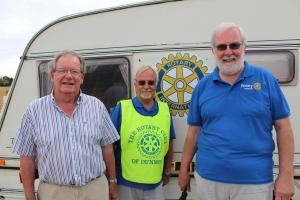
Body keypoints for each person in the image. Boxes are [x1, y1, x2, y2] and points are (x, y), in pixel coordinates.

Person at [178, 22, 295, 200]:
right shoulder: (203, 86)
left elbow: (283, 128)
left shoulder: (266, 79)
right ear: (213, 51)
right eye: (221, 47)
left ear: (244, 47)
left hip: (254, 182)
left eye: (234, 45)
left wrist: (286, 176)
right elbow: (193, 132)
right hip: (208, 179)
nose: (228, 52)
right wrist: (184, 170)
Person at [12, 51, 120, 200]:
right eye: (62, 70)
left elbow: (107, 147)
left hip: (95, 189)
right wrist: (29, 197)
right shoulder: (34, 111)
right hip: (54, 192)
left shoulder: (97, 106)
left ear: (81, 78)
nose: (68, 76)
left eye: (74, 71)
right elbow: (26, 158)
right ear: (52, 75)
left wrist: (112, 181)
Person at [110, 66, 176, 200]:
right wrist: (111, 178)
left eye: (151, 82)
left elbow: (169, 141)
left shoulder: (164, 110)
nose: (146, 86)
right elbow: (109, 146)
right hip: (126, 184)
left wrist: (168, 171)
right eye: (142, 82)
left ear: (155, 85)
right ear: (135, 84)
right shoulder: (122, 108)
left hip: (155, 183)